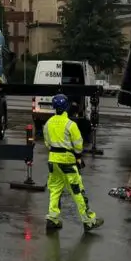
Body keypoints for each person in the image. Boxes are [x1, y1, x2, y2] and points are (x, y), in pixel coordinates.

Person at [44, 93, 104, 233]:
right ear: (66, 107)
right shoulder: (70, 125)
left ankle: (52, 219)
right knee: (77, 192)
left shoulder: (48, 123)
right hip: (68, 163)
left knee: (55, 190)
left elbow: (47, 143)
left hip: (53, 161)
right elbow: (78, 145)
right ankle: (88, 221)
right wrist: (77, 156)